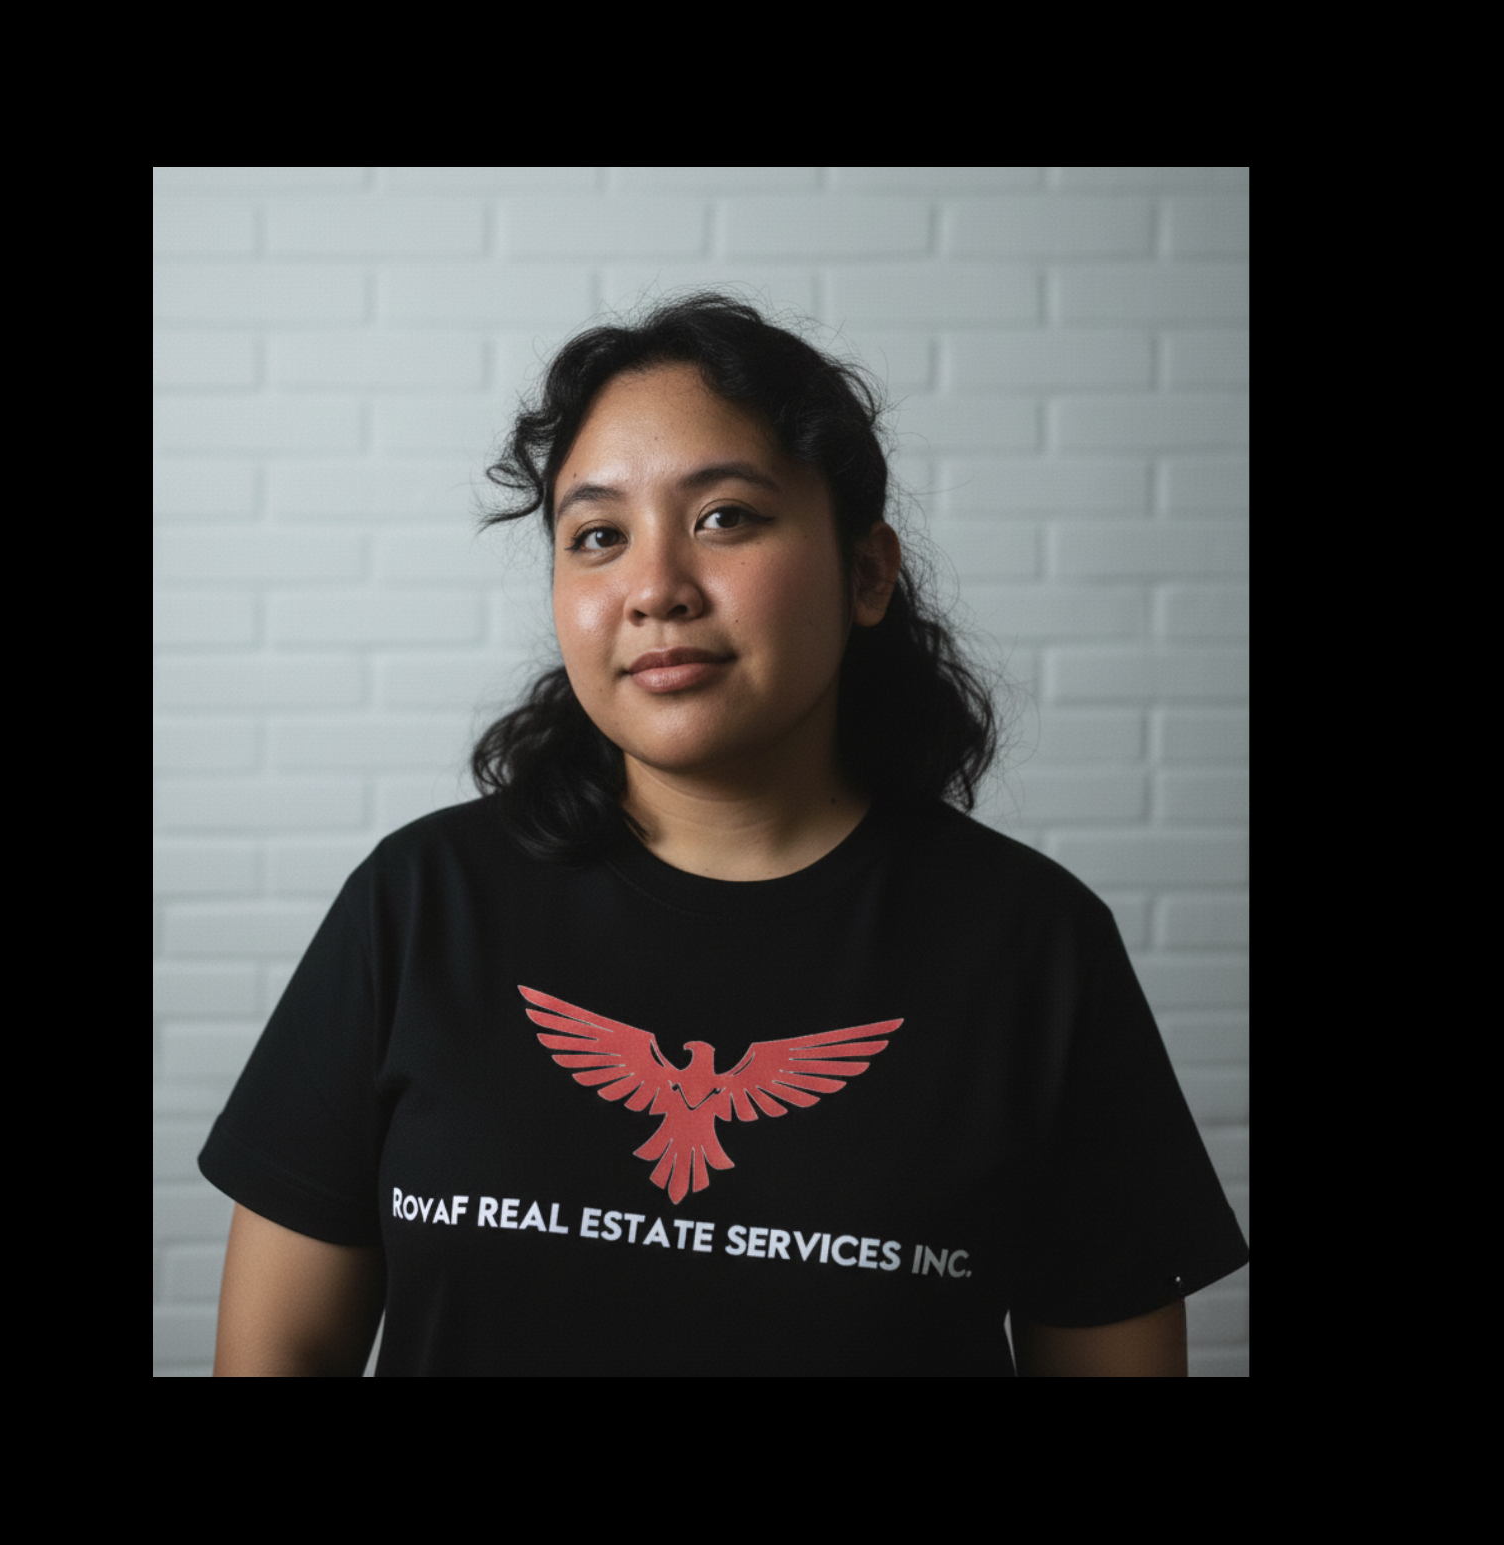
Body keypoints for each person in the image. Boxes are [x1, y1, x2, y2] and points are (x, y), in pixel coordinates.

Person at [201, 294, 1248, 1375]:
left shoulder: (1033, 949)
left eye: (725, 518)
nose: (654, 589)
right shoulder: (419, 905)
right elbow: (274, 1356)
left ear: (867, 572)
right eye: (597, 536)